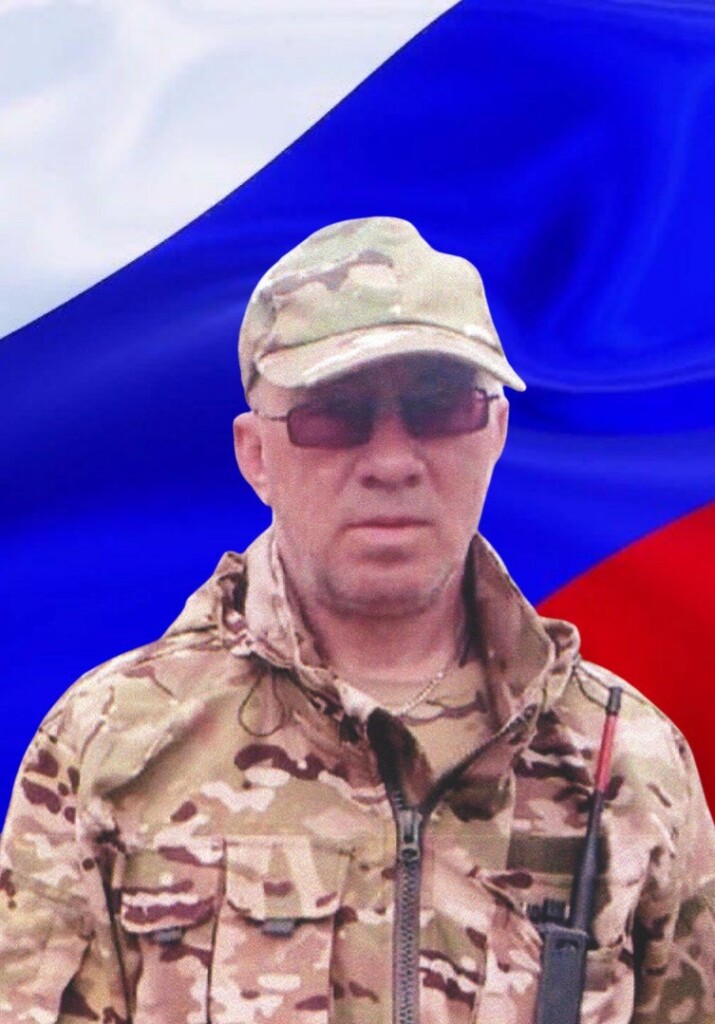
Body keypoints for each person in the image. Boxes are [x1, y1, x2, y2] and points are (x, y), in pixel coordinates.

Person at [0, 217, 713, 1024]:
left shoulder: (623, 762)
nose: (391, 461)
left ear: (495, 432)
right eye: (334, 417)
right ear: (255, 454)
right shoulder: (112, 744)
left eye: (439, 408)